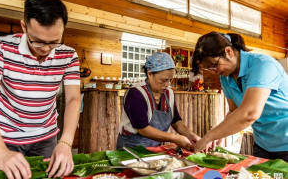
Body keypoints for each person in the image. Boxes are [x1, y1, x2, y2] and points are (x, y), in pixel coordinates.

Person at [0, 0, 81, 179]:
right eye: (38, 40)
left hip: (46, 137)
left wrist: (65, 143)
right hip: (5, 134)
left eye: (54, 41)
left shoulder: (69, 55)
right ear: (24, 26)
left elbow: (73, 99)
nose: (46, 49)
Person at [192, 31, 288, 161]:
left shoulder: (262, 65)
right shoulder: (226, 78)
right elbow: (233, 110)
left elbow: (250, 113)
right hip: (263, 145)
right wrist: (218, 134)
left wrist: (209, 136)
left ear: (229, 52)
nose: (215, 72)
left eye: (214, 65)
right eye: (209, 69)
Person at [117, 52, 200, 149]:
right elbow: (142, 129)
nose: (168, 84)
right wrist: (175, 138)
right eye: (163, 80)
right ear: (150, 74)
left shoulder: (169, 93)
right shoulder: (136, 93)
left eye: (171, 80)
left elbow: (176, 121)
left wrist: (190, 135)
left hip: (155, 149)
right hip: (131, 149)